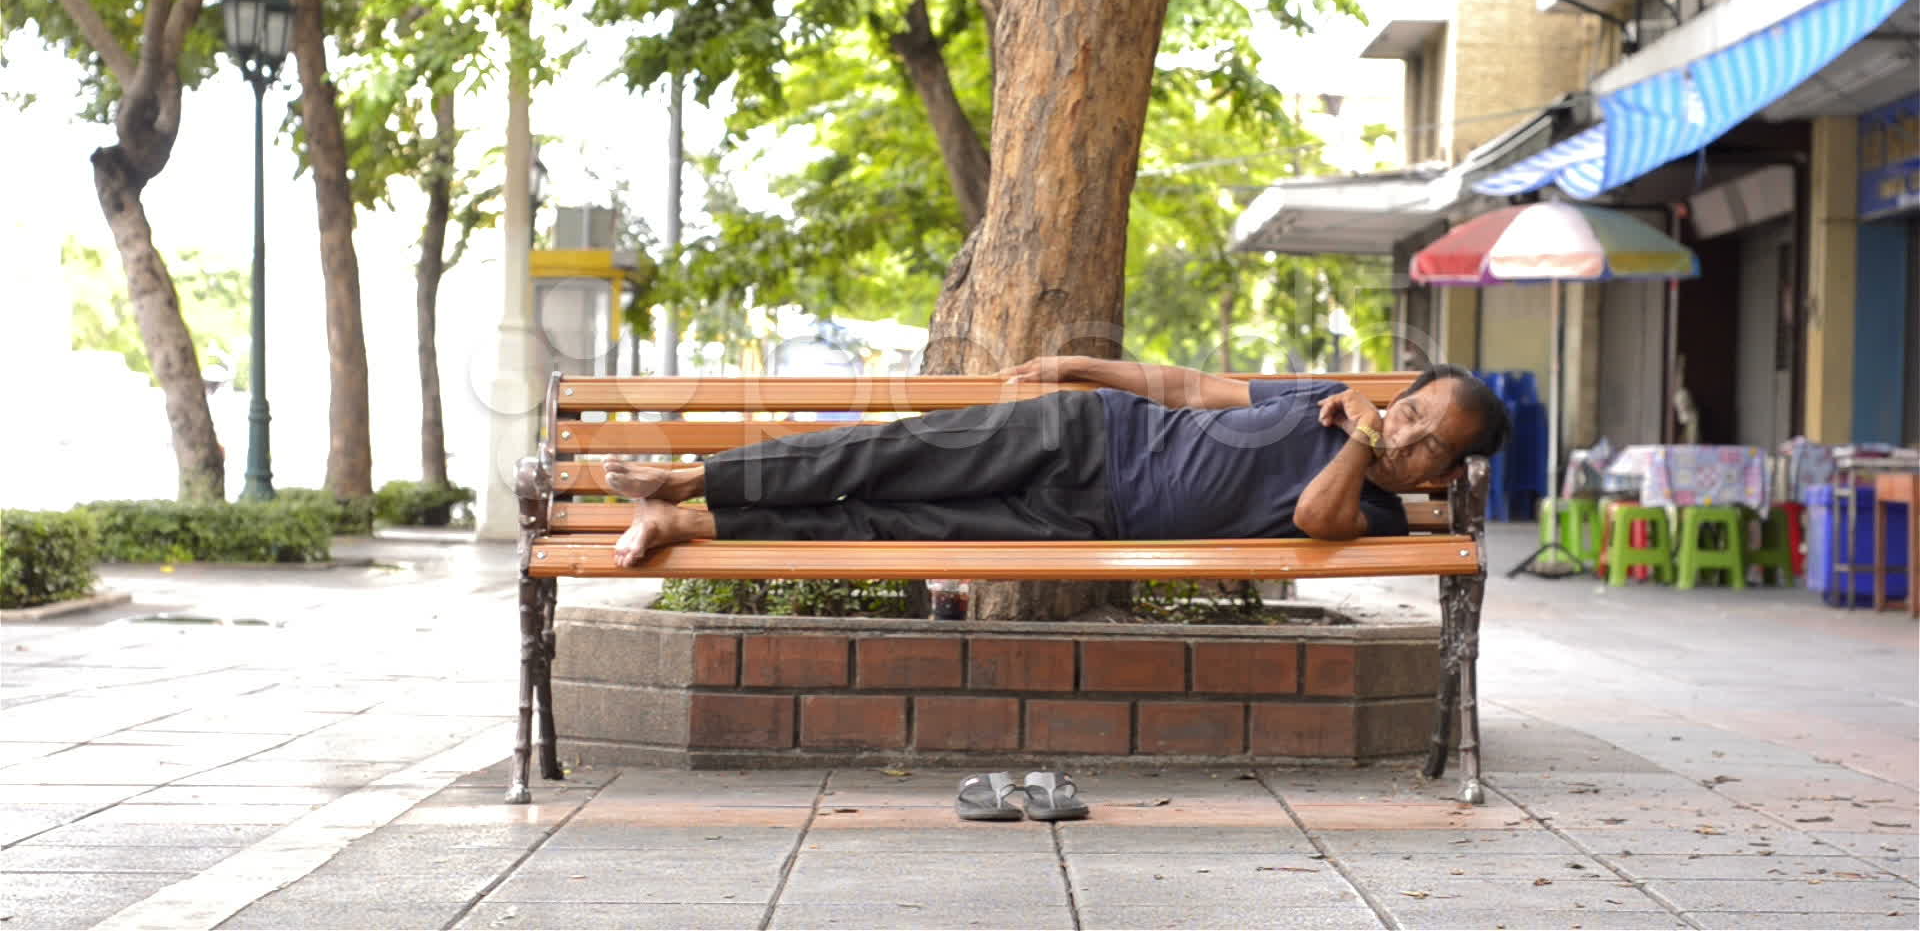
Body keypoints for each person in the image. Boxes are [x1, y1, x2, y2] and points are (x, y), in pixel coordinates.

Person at [605, 358, 1510, 566]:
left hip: (1087, 519)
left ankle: (683, 522)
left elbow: (1317, 519)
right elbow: (1193, 389)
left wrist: (1360, 436)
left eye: (1430, 442)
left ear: (1441, 475)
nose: (1407, 436)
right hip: (1089, 435)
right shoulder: (1318, 388)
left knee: (896, 522)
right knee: (886, 452)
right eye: (1412, 411)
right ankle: (689, 479)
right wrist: (1083, 369)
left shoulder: (1377, 509)